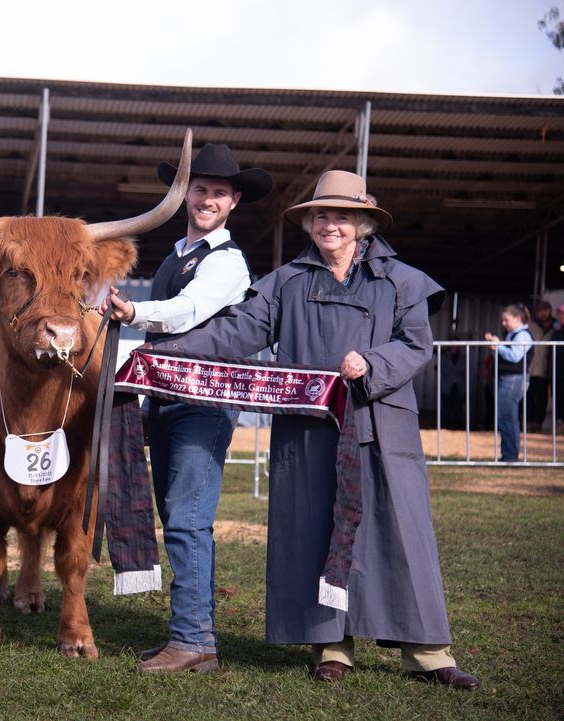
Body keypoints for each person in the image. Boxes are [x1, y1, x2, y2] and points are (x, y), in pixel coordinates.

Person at [149, 170, 480, 690]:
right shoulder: (286, 282)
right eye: (321, 215)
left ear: (363, 224)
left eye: (342, 217)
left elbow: (416, 345)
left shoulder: (403, 280)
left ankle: (428, 653)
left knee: (401, 535)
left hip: (381, 426)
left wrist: (372, 363)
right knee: (314, 534)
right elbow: (236, 331)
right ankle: (332, 645)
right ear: (309, 223)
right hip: (308, 432)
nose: (331, 225)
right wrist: (160, 356)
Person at [101, 144, 273, 673]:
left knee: (188, 518)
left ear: (234, 202)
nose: (207, 199)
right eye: (199, 189)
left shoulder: (228, 261)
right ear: (183, 195)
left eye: (218, 192)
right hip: (170, 401)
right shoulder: (179, 254)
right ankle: (190, 637)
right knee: (179, 515)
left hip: (203, 403)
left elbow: (186, 312)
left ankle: (195, 639)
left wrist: (132, 310)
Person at [485, 305, 534, 462]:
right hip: (510, 379)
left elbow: (514, 356)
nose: (503, 323)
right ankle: (508, 454)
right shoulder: (513, 335)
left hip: (513, 379)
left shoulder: (522, 336)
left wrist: (498, 346)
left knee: (507, 416)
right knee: (506, 416)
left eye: (506, 320)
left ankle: (510, 456)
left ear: (517, 318)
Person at [525, 301, 558, 431]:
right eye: (540, 311)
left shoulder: (557, 327)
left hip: (547, 369)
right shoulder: (532, 326)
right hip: (531, 369)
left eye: (545, 310)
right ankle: (527, 422)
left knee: (542, 398)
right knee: (528, 397)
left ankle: (537, 423)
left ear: (550, 311)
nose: (543, 314)